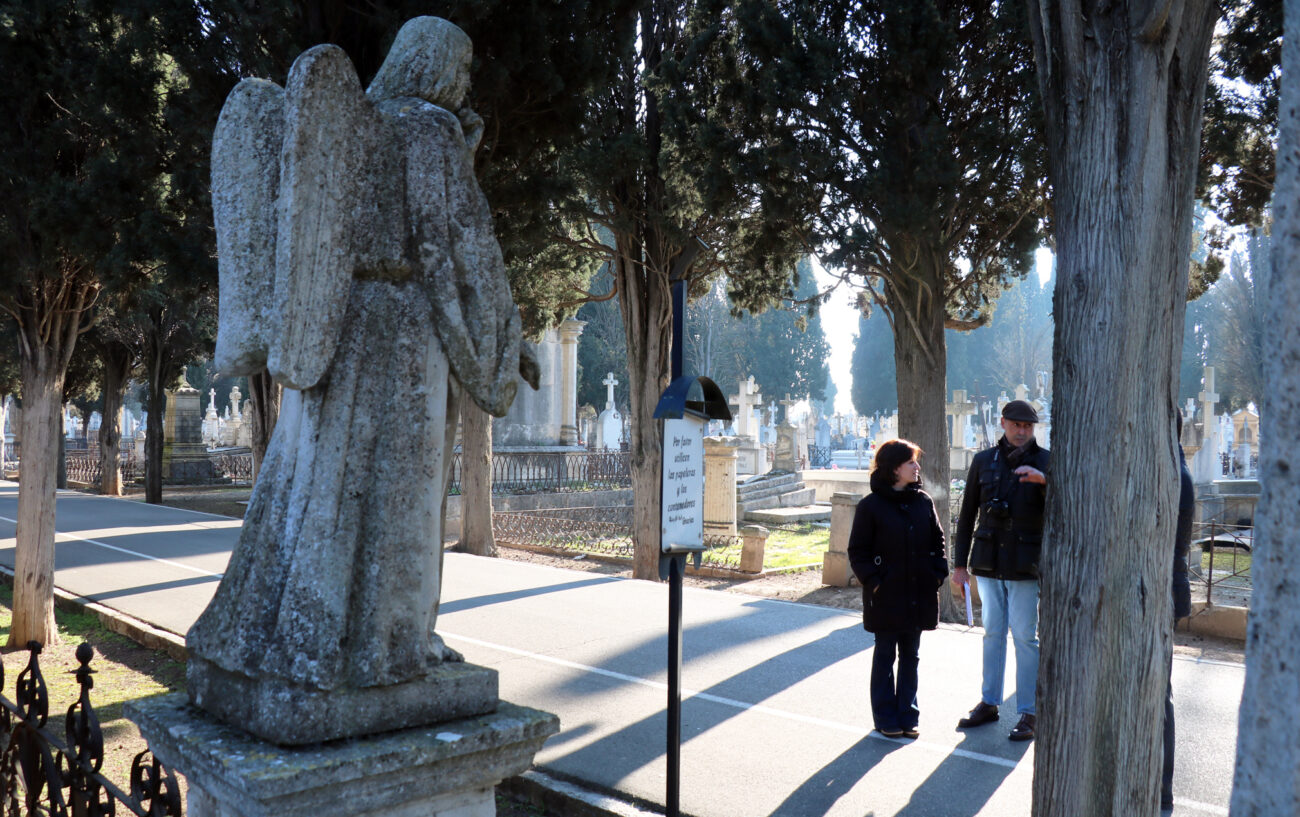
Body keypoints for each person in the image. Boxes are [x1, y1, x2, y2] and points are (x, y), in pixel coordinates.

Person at [952, 399, 1049, 741]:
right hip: (989, 560)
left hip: (1025, 564)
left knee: (1025, 636)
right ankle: (989, 702)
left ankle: (1030, 712)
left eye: (1028, 426)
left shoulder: (1046, 462)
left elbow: (1066, 510)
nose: (1022, 431)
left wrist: (1045, 483)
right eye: (1016, 425)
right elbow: (966, 516)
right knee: (992, 633)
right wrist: (959, 565)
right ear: (1004, 423)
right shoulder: (983, 461)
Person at [848, 439, 949, 739]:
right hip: (886, 596)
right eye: (911, 463)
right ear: (894, 468)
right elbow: (858, 552)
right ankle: (885, 716)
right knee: (884, 655)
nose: (918, 467)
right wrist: (876, 582)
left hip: (918, 592)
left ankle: (908, 713)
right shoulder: (871, 507)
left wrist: (937, 574)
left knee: (911, 655)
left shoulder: (923, 502)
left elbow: (938, 541)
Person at [1163, 414, 1194, 811]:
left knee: (1157, 696)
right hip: (1166, 589)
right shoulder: (1173, 465)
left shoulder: (1174, 473)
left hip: (1163, 591)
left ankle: (1162, 790)